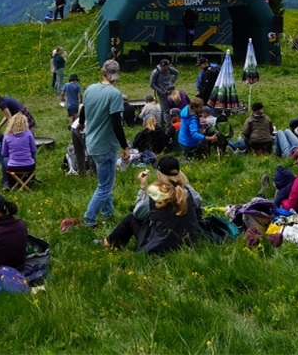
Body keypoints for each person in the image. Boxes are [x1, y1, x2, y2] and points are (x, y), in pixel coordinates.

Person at [103, 155, 203, 254]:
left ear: (159, 173)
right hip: (190, 240)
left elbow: (138, 214)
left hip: (159, 245)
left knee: (131, 219)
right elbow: (198, 204)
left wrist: (143, 188)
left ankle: (109, 243)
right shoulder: (188, 190)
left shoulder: (153, 192)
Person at [74, 59, 129, 229]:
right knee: (105, 186)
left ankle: (108, 213)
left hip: (92, 143)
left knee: (105, 182)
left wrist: (82, 123)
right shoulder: (114, 94)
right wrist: (125, 147)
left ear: (102, 72)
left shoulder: (90, 88)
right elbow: (116, 124)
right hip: (106, 145)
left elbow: (83, 109)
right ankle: (89, 219)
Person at [1, 113, 37, 189]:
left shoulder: (7, 135)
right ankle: (31, 179)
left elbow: (4, 153)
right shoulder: (28, 133)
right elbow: (34, 150)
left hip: (13, 167)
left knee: (4, 160)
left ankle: (6, 182)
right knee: (32, 156)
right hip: (29, 166)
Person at [149, 58, 180, 128]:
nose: (168, 68)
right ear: (162, 66)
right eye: (166, 66)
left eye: (168, 66)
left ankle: (161, 124)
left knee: (165, 109)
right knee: (165, 110)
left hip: (170, 91)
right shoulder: (156, 72)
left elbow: (177, 73)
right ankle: (169, 126)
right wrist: (160, 90)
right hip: (162, 93)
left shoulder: (169, 69)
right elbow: (152, 84)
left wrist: (172, 82)